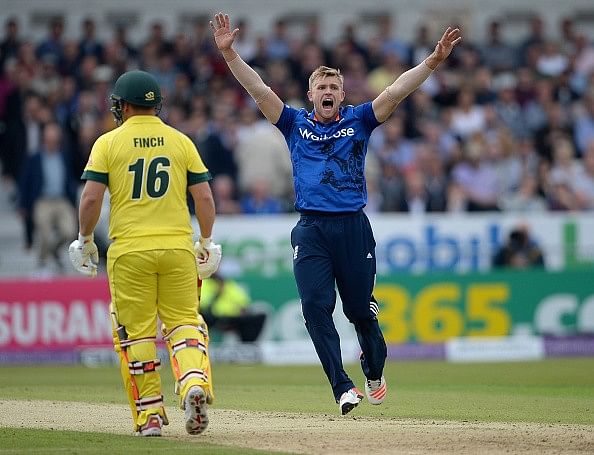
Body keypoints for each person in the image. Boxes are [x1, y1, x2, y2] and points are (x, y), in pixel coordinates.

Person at [210, 12, 461, 415]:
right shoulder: (293, 124)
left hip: (353, 228)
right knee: (314, 307)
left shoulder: (359, 120)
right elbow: (258, 90)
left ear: (341, 94)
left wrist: (432, 62)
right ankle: (342, 386)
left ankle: (373, 371)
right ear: (310, 95)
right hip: (311, 228)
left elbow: (395, 91)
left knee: (360, 312)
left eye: (334, 86)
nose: (327, 91)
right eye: (321, 86)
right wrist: (229, 54)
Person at [68, 70, 222, 436]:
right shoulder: (181, 140)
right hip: (176, 248)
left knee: (135, 335)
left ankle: (150, 415)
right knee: (184, 323)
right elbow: (204, 197)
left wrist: (85, 239)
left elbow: (91, 198)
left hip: (130, 253)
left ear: (121, 105)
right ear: (157, 105)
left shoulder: (108, 142)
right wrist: (206, 241)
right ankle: (192, 382)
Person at [18, 122, 77, 274]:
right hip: (42, 200)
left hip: (61, 200)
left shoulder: (64, 155)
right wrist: (23, 205)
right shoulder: (35, 157)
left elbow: (69, 179)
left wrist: (73, 201)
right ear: (44, 136)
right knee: (44, 233)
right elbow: (25, 182)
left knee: (69, 231)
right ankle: (42, 264)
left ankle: (54, 251)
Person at [200, 272, 267, 343]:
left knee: (258, 318)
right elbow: (204, 305)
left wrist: (242, 309)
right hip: (214, 317)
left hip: (232, 316)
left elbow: (243, 301)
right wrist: (218, 293)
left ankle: (247, 345)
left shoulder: (228, 284)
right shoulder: (204, 284)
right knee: (205, 317)